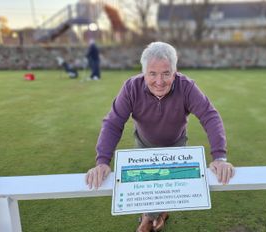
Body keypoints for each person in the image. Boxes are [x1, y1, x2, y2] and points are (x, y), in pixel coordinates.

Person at [85, 41, 235, 232]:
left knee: (169, 184)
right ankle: (155, 216)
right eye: (152, 74)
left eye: (166, 73)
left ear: (174, 71)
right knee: (147, 184)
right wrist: (102, 161)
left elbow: (210, 116)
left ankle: (148, 220)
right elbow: (113, 123)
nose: (159, 81)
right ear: (144, 72)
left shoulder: (187, 87)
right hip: (144, 144)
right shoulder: (131, 88)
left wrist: (220, 157)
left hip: (175, 145)